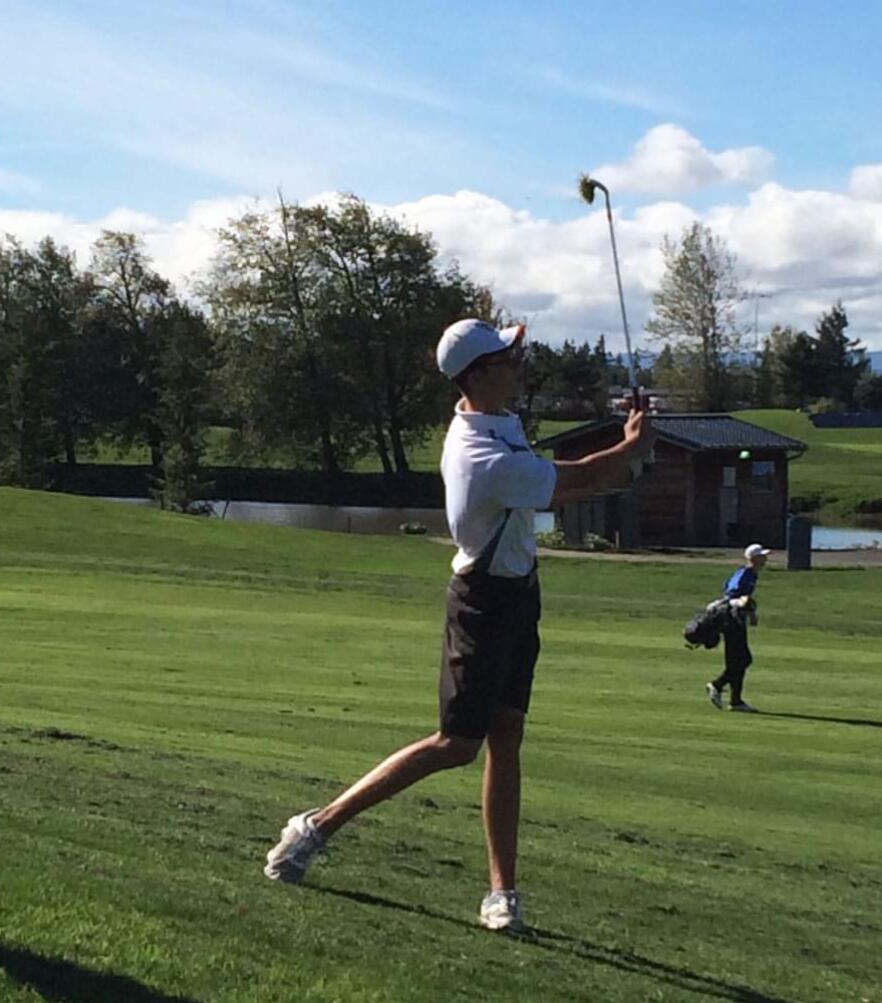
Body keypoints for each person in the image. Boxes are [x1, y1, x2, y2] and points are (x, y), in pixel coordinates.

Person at [263, 318, 657, 932]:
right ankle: (316, 826)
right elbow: (575, 482)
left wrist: (627, 457)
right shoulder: (480, 456)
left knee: (507, 739)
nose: (518, 363)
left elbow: (570, 469)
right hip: (481, 603)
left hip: (520, 597)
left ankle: (502, 894)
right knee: (456, 745)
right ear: (477, 375)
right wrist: (631, 449)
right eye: (507, 357)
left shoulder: (494, 419)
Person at [706, 544, 768, 713]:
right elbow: (733, 593)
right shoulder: (746, 573)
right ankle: (717, 685)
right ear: (754, 558)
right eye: (762, 556)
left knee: (740, 661)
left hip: (737, 619)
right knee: (741, 660)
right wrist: (749, 610)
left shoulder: (750, 574)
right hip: (731, 620)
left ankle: (736, 700)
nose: (765, 559)